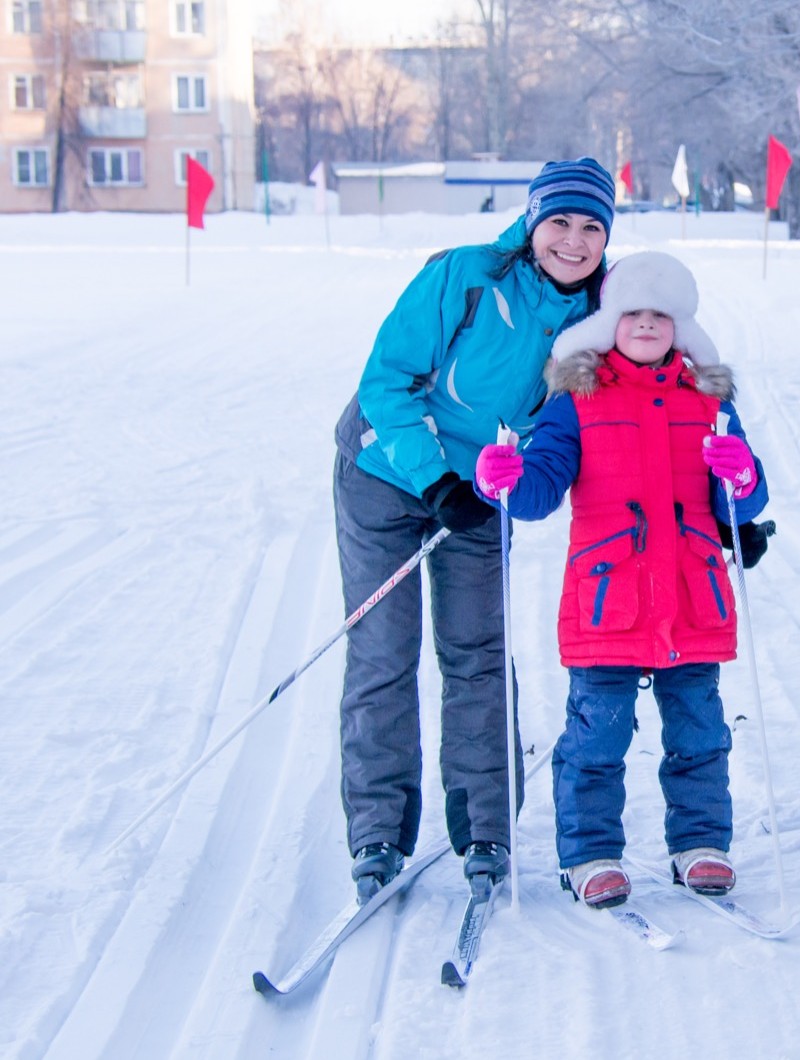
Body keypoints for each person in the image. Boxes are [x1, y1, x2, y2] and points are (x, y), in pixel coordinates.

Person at [331, 158, 616, 902]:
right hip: (384, 471)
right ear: (532, 222)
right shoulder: (464, 277)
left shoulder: (599, 319)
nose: (574, 240)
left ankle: (485, 825)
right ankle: (377, 834)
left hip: (479, 490)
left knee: (478, 653)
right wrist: (434, 478)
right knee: (384, 652)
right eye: (560, 221)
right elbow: (387, 381)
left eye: (592, 227)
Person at [473, 251, 769, 909]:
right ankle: (589, 854)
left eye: (658, 315)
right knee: (596, 735)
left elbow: (743, 502)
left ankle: (699, 844)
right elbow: (540, 489)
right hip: (609, 597)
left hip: (693, 597)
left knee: (699, 733)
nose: (644, 325)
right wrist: (506, 478)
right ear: (609, 321)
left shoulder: (708, 398)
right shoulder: (577, 398)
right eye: (631, 313)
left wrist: (740, 474)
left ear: (678, 325)